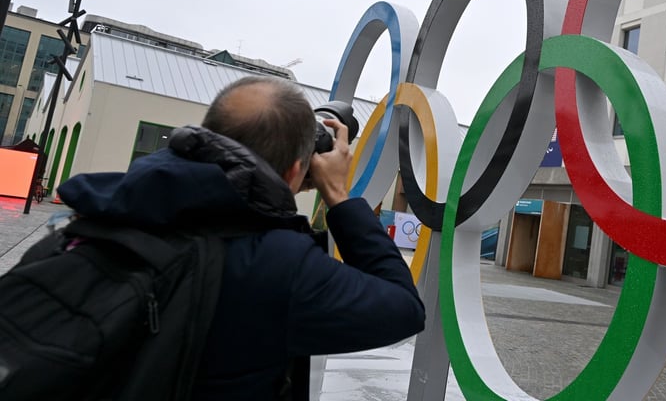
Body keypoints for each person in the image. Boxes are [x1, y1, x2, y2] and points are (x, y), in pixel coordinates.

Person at [56, 76, 426, 400]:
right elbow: (403, 309)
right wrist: (339, 197)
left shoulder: (99, 209)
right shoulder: (278, 266)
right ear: (299, 168)